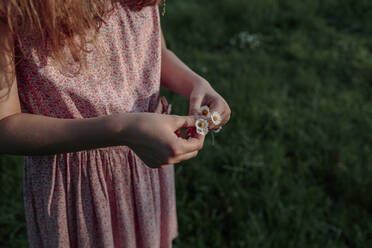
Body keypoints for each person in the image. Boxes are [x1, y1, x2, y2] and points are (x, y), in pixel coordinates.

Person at [0, 0, 231, 247]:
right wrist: (122, 130)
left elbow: (153, 50)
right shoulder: (15, 8)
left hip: (143, 166)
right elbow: (5, 125)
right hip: (80, 189)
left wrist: (195, 84)